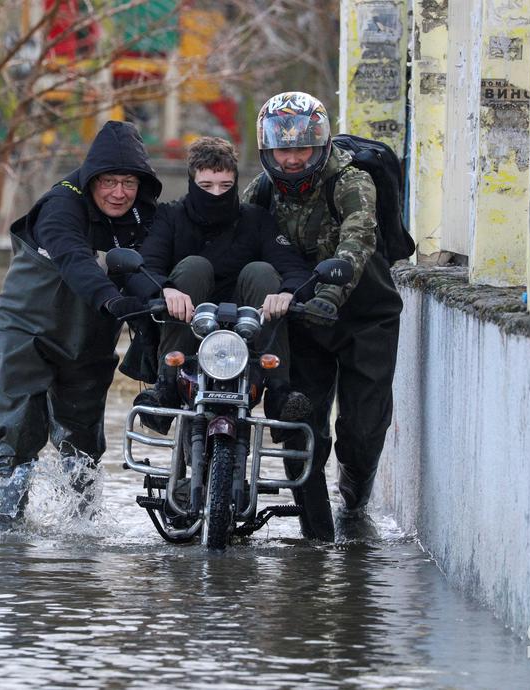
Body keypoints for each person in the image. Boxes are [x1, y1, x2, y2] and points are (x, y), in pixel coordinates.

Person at [242, 92, 403, 542]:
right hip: (301, 320)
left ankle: (354, 505)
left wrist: (331, 293)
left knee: (362, 429)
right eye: (282, 150)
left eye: (303, 149)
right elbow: (237, 240)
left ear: (322, 144)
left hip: (366, 317)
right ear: (267, 149)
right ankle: (315, 536)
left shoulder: (352, 181)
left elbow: (357, 239)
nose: (292, 160)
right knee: (298, 423)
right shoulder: (261, 190)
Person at [0, 120, 161, 527]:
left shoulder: (145, 216)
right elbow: (74, 259)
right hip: (27, 330)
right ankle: (6, 536)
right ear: (91, 179)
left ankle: (82, 537)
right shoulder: (59, 206)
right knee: (20, 436)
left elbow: (150, 268)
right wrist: (113, 299)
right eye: (109, 182)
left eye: (129, 183)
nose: (119, 193)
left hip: (90, 339)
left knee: (83, 446)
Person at [129, 136, 312, 434]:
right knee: (194, 266)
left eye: (225, 186)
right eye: (206, 186)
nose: (216, 194)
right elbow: (143, 265)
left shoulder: (257, 220)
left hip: (246, 329)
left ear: (236, 183)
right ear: (192, 182)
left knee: (263, 270)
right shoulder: (170, 216)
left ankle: (279, 390)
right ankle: (166, 385)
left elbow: (292, 265)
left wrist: (289, 292)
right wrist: (164, 289)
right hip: (189, 325)